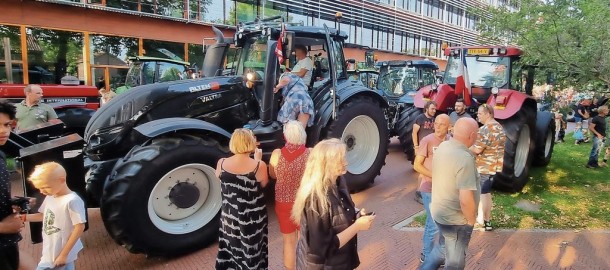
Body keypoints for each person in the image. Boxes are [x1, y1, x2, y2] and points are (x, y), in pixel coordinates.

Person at [292, 139, 375, 269]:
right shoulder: (316, 199)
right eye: (339, 160)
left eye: (344, 158)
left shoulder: (338, 181)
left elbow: (339, 213)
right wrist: (358, 226)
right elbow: (323, 247)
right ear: (325, 164)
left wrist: (356, 213)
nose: (345, 162)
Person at [215, 128, 269, 269]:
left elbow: (219, 177)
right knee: (252, 251)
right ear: (250, 143)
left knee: (230, 248)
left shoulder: (221, 163)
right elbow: (263, 184)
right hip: (252, 218)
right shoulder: (259, 166)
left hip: (229, 216)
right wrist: (257, 160)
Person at [26, 162, 87, 270]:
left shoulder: (72, 200)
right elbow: (44, 216)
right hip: (51, 246)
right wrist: (24, 218)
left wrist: (64, 254)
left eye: (46, 187)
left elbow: (79, 227)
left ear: (61, 180)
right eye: (39, 188)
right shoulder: (51, 196)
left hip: (60, 250)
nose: (42, 192)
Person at [268, 120, 310, 270]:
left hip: (283, 202)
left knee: (288, 242)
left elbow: (273, 175)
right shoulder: (309, 154)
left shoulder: (276, 154)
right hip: (303, 202)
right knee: (305, 240)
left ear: (285, 136)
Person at [413, 114, 450, 264]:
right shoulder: (427, 140)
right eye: (436, 123)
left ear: (449, 126)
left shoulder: (450, 140)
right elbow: (417, 165)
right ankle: (427, 256)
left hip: (445, 190)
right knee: (433, 223)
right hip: (429, 188)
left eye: (442, 124)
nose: (438, 126)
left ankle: (438, 254)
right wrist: (435, 176)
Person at [470, 104, 506, 231]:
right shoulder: (499, 128)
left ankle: (484, 221)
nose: (477, 116)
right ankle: (486, 220)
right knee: (487, 193)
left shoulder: (485, 129)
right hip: (494, 166)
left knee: (482, 194)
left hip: (483, 167)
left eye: (479, 113)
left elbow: (477, 149)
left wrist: (465, 148)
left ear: (487, 114)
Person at [0, 101, 25, 270]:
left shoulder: (0, 155)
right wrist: (3, 227)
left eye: (6, 124)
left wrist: (11, 202)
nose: (3, 130)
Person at [412, 100, 437, 203]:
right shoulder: (420, 118)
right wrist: (416, 147)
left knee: (428, 170)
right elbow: (414, 133)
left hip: (431, 150)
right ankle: (418, 193)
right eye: (432, 109)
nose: (434, 110)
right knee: (422, 171)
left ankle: (425, 191)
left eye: (435, 109)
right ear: (426, 108)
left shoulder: (434, 120)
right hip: (421, 148)